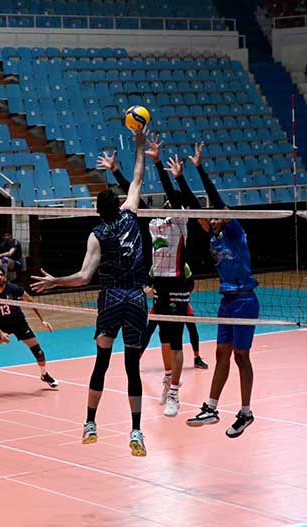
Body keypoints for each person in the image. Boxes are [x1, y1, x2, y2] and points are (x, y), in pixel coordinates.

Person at [32, 130, 149, 456]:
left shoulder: (97, 235)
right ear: (119, 204)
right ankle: (136, 431)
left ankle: (90, 423)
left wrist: (55, 281)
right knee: (133, 368)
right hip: (138, 299)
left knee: (101, 362)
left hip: (111, 300)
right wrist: (139, 144)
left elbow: (84, 278)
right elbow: (137, 179)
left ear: (98, 211)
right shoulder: (131, 215)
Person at [98, 134, 204, 418]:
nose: (167, 203)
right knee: (164, 340)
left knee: (177, 339)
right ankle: (168, 378)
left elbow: (173, 194)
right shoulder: (154, 221)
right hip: (158, 285)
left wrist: (158, 164)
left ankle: (174, 394)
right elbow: (133, 197)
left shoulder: (181, 220)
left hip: (178, 283)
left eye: (171, 201)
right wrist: (115, 171)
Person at [169, 143, 259, 438]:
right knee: (221, 354)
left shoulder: (235, 232)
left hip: (246, 300)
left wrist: (199, 168)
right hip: (227, 301)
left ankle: (246, 412)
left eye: (219, 214)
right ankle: (211, 406)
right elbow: (196, 208)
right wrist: (180, 178)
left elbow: (214, 200)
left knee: (240, 356)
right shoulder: (213, 236)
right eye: (214, 216)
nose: (215, 217)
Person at [0, 266, 58, 396]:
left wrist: (42, 320)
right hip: (1, 326)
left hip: (19, 324)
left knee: (39, 352)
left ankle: (44, 375)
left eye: (1, 275)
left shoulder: (13, 289)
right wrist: (0, 333)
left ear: (5, 277)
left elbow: (30, 301)